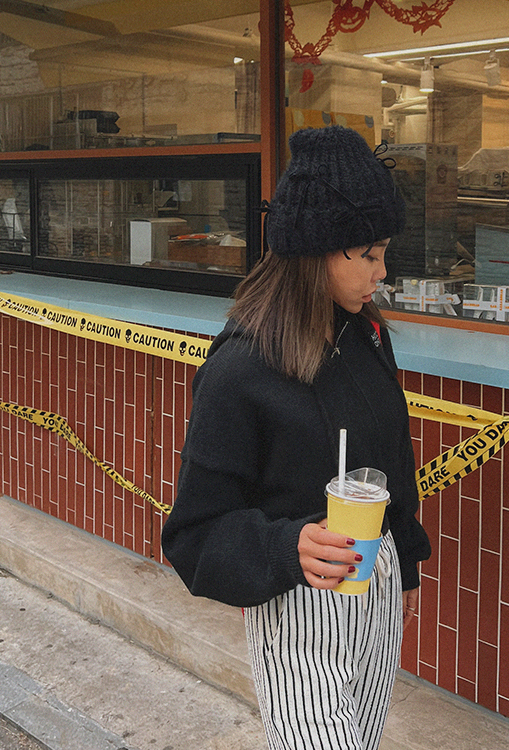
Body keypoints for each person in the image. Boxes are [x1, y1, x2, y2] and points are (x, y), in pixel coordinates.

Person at [161, 125, 431, 750]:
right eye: (368, 254)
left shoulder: (366, 336)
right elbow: (193, 534)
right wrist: (288, 547)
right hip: (297, 599)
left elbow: (394, 461)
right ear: (316, 250)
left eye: (384, 252)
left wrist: (405, 567)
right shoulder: (240, 368)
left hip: (377, 579)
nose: (382, 272)